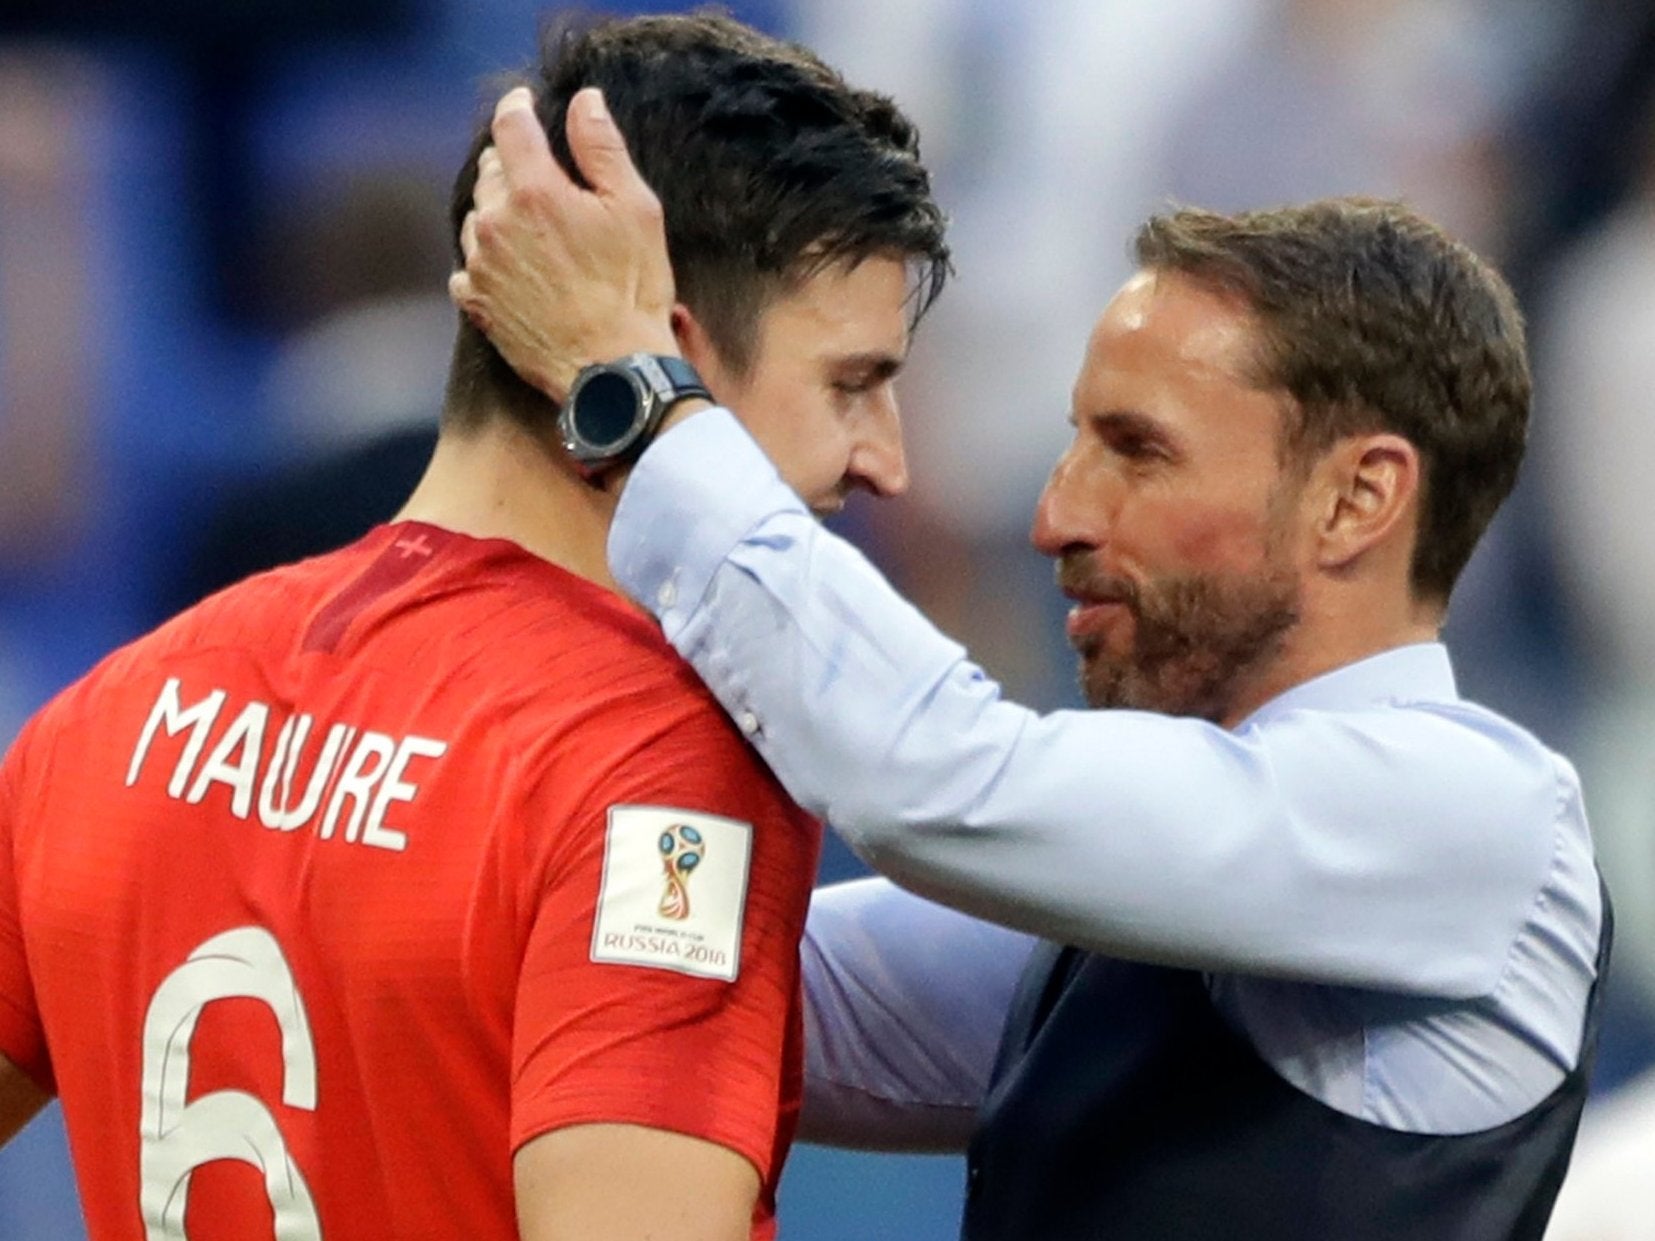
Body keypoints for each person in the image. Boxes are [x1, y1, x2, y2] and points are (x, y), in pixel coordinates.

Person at [451, 90, 1608, 1239]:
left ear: (1356, 498)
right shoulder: (1123, 904)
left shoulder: (1475, 817)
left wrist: (637, 391)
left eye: (1135, 450)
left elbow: (937, 779)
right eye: (1071, 442)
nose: (1055, 513)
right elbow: (697, 972)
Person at [0, 14, 948, 1241]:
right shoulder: (655, 766)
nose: (887, 460)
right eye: (851, 384)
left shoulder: (120, 709)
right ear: (661, 353)